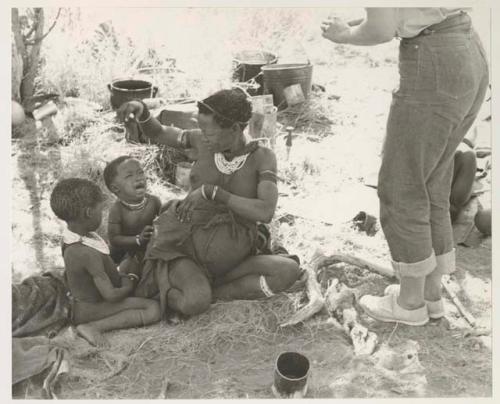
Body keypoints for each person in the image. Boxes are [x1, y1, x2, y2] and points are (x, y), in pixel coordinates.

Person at [322, 8, 489, 325]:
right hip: (464, 45)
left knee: (403, 185)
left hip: (435, 62)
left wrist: (342, 35)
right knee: (432, 180)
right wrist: (354, 23)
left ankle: (410, 304)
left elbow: (382, 29)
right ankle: (430, 294)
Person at [117, 88, 300, 317]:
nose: (203, 135)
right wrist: (142, 110)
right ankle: (189, 286)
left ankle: (213, 290)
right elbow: (160, 132)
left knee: (288, 271)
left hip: (233, 258)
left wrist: (214, 192)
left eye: (210, 132)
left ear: (234, 128)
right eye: (201, 129)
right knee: (194, 303)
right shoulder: (201, 142)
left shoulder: (261, 158)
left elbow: (265, 211)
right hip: (184, 248)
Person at [50, 178, 160, 347]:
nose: (102, 214)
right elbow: (111, 295)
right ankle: (93, 327)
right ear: (88, 213)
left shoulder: (73, 238)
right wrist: (129, 283)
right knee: (153, 309)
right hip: (91, 308)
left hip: (87, 298)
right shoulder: (86, 254)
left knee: (130, 261)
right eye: (100, 210)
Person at [103, 156, 162, 264]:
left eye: (140, 172)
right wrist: (138, 239)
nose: (138, 178)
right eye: (129, 176)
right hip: (124, 253)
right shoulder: (117, 210)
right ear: (116, 188)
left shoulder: (154, 202)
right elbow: (114, 239)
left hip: (149, 249)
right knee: (127, 269)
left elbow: (164, 222)